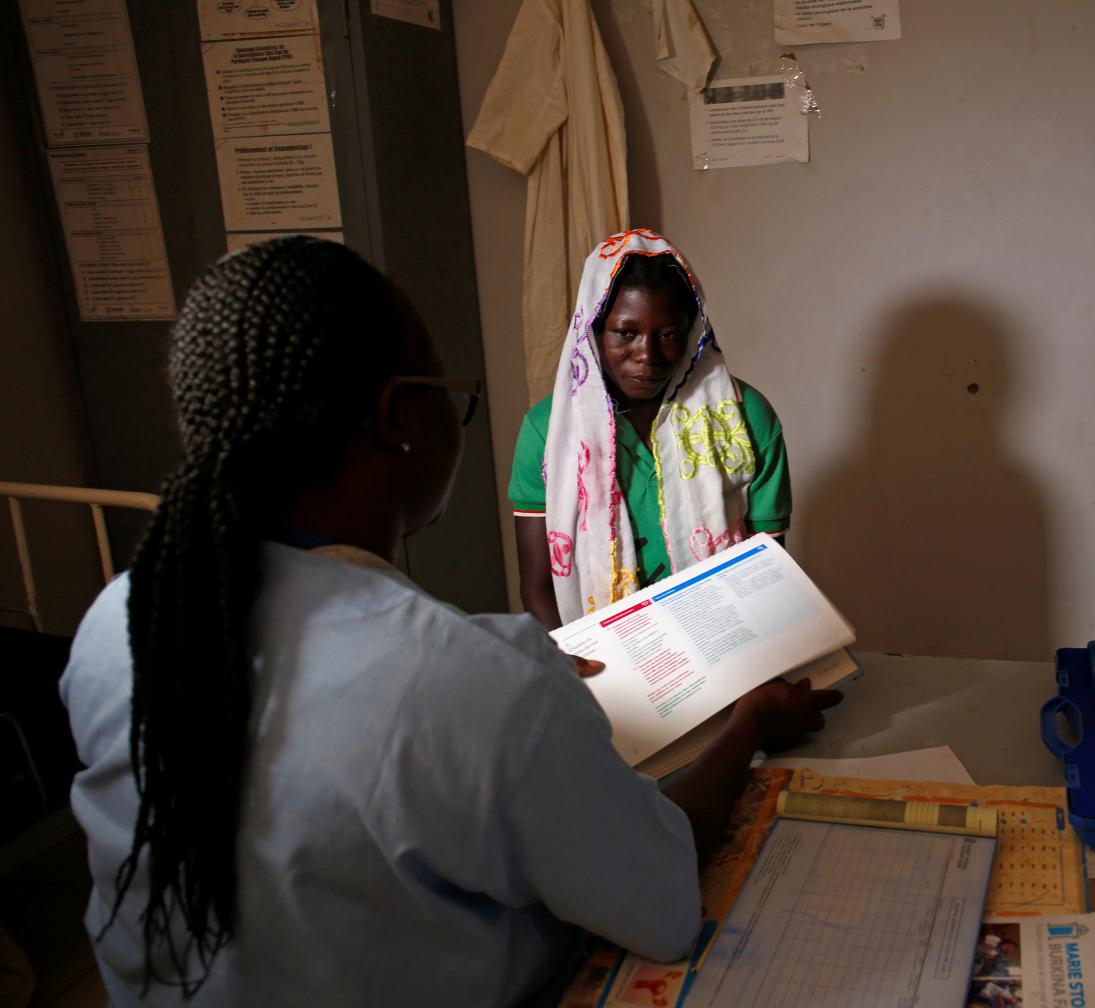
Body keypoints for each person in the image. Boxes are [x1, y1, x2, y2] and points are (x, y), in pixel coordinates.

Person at [60, 237, 838, 1006]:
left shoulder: (118, 623)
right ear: (402, 416)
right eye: (449, 391)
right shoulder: (484, 685)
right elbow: (663, 905)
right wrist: (750, 728)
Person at [510, 229, 793, 629]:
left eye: (667, 335)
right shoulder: (548, 431)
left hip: (728, 641)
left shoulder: (746, 418)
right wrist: (576, 670)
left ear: (693, 332)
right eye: (625, 333)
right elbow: (537, 586)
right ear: (592, 330)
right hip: (597, 660)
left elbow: (769, 573)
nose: (647, 355)